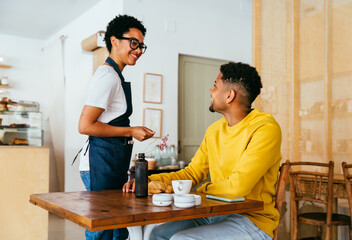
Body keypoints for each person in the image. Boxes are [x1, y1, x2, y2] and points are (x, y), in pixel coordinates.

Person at [123, 62, 282, 240]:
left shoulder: (265, 129)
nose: (210, 90)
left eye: (215, 85)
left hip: (252, 219)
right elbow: (193, 173)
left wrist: (198, 192)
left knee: (181, 239)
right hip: (216, 211)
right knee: (159, 233)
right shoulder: (214, 130)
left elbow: (237, 187)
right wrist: (147, 181)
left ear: (229, 96)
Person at [78, 14, 155, 240]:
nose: (138, 50)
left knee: (115, 229)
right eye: (134, 43)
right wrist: (131, 131)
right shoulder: (108, 77)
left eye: (141, 45)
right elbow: (85, 125)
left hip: (109, 162)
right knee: (103, 229)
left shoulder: (114, 76)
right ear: (114, 41)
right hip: (100, 163)